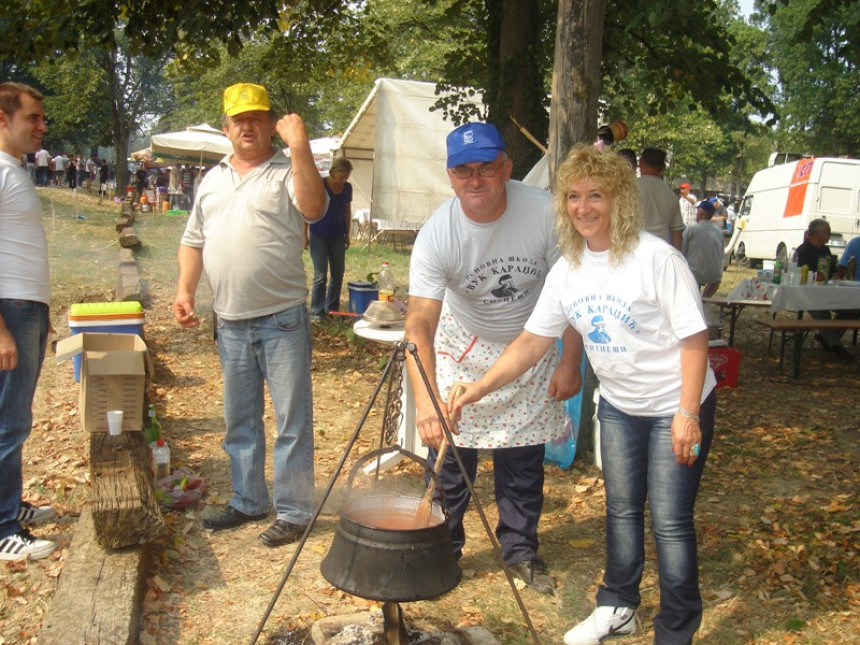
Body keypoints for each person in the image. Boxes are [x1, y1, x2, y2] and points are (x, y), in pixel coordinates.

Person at [449, 144, 717, 645]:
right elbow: (532, 342)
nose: (584, 207)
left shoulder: (657, 259)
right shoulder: (569, 269)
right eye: (573, 196)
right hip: (618, 406)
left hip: (674, 405)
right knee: (620, 509)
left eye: (596, 195)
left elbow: (694, 338)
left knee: (671, 521)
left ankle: (676, 630)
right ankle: (618, 606)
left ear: (621, 201)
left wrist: (687, 412)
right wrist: (478, 387)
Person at [404, 122, 580, 595]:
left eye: (486, 168)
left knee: (521, 462)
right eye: (464, 171)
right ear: (450, 176)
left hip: (530, 347)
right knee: (449, 460)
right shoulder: (438, 233)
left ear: (506, 167)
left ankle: (520, 552)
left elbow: (570, 295)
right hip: (464, 346)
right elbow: (418, 323)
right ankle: (442, 548)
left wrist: (569, 362)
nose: (476, 180)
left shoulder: (544, 214)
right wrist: (426, 402)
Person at [172, 82, 327, 547]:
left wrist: (299, 146)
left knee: (291, 420)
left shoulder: (287, 171)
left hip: (281, 318)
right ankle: (247, 500)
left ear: (269, 125)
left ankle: (296, 510)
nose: (247, 126)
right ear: (226, 127)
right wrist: (184, 288)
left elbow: (316, 208)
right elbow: (193, 239)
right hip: (230, 320)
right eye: (238, 119)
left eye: (256, 118)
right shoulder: (213, 179)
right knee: (240, 418)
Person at [0, 82, 58, 561]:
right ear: (3, 119)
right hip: (8, 311)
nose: (42, 126)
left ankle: (10, 506)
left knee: (15, 418)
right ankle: (2, 529)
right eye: (32, 118)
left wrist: (40, 310)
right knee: (7, 423)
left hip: (26, 308)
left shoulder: (14, 169)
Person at [796, 219, 852, 359]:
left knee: (853, 309)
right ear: (818, 233)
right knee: (821, 310)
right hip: (809, 295)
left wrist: (838, 279)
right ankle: (836, 346)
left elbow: (834, 273)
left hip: (829, 293)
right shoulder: (802, 251)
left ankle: (825, 336)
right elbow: (798, 276)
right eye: (828, 232)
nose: (829, 235)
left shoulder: (826, 250)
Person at [306, 157, 353, 319]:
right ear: (332, 172)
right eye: (341, 177)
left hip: (338, 236)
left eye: (346, 177)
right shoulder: (320, 184)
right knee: (320, 275)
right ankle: (317, 311)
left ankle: (332, 308)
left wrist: (347, 234)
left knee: (338, 273)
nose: (343, 180)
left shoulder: (347, 188)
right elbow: (308, 209)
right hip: (318, 234)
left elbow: (347, 212)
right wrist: (305, 235)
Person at [638, 147, 683, 249]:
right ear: (663, 167)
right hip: (662, 251)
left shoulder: (627, 188)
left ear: (640, 162)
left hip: (633, 249)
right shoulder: (670, 195)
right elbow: (677, 235)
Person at [682, 200, 725, 298]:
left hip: (693, 274)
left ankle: (697, 301)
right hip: (714, 275)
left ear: (701, 213)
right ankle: (704, 300)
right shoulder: (719, 232)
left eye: (697, 212)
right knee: (715, 280)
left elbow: (681, 253)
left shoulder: (690, 230)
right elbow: (721, 255)